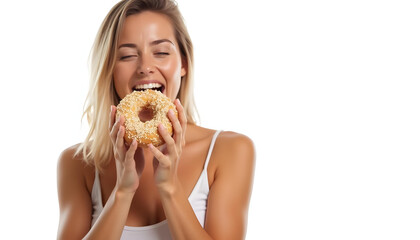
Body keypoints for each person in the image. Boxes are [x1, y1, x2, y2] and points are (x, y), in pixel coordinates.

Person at [57, 0, 255, 239]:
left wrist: (170, 188)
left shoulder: (229, 150)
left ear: (183, 62)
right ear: (109, 69)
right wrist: (123, 191)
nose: (145, 67)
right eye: (127, 56)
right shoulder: (79, 163)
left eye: (161, 52)